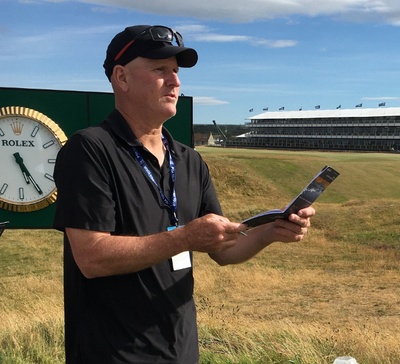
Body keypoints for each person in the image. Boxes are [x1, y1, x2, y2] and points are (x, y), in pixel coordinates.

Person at [53, 25, 315, 364]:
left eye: (175, 71)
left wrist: (271, 230)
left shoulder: (189, 160)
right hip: (112, 354)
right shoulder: (90, 149)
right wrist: (185, 237)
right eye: (160, 70)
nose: (174, 81)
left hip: (182, 351)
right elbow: (92, 258)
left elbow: (224, 249)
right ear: (121, 77)